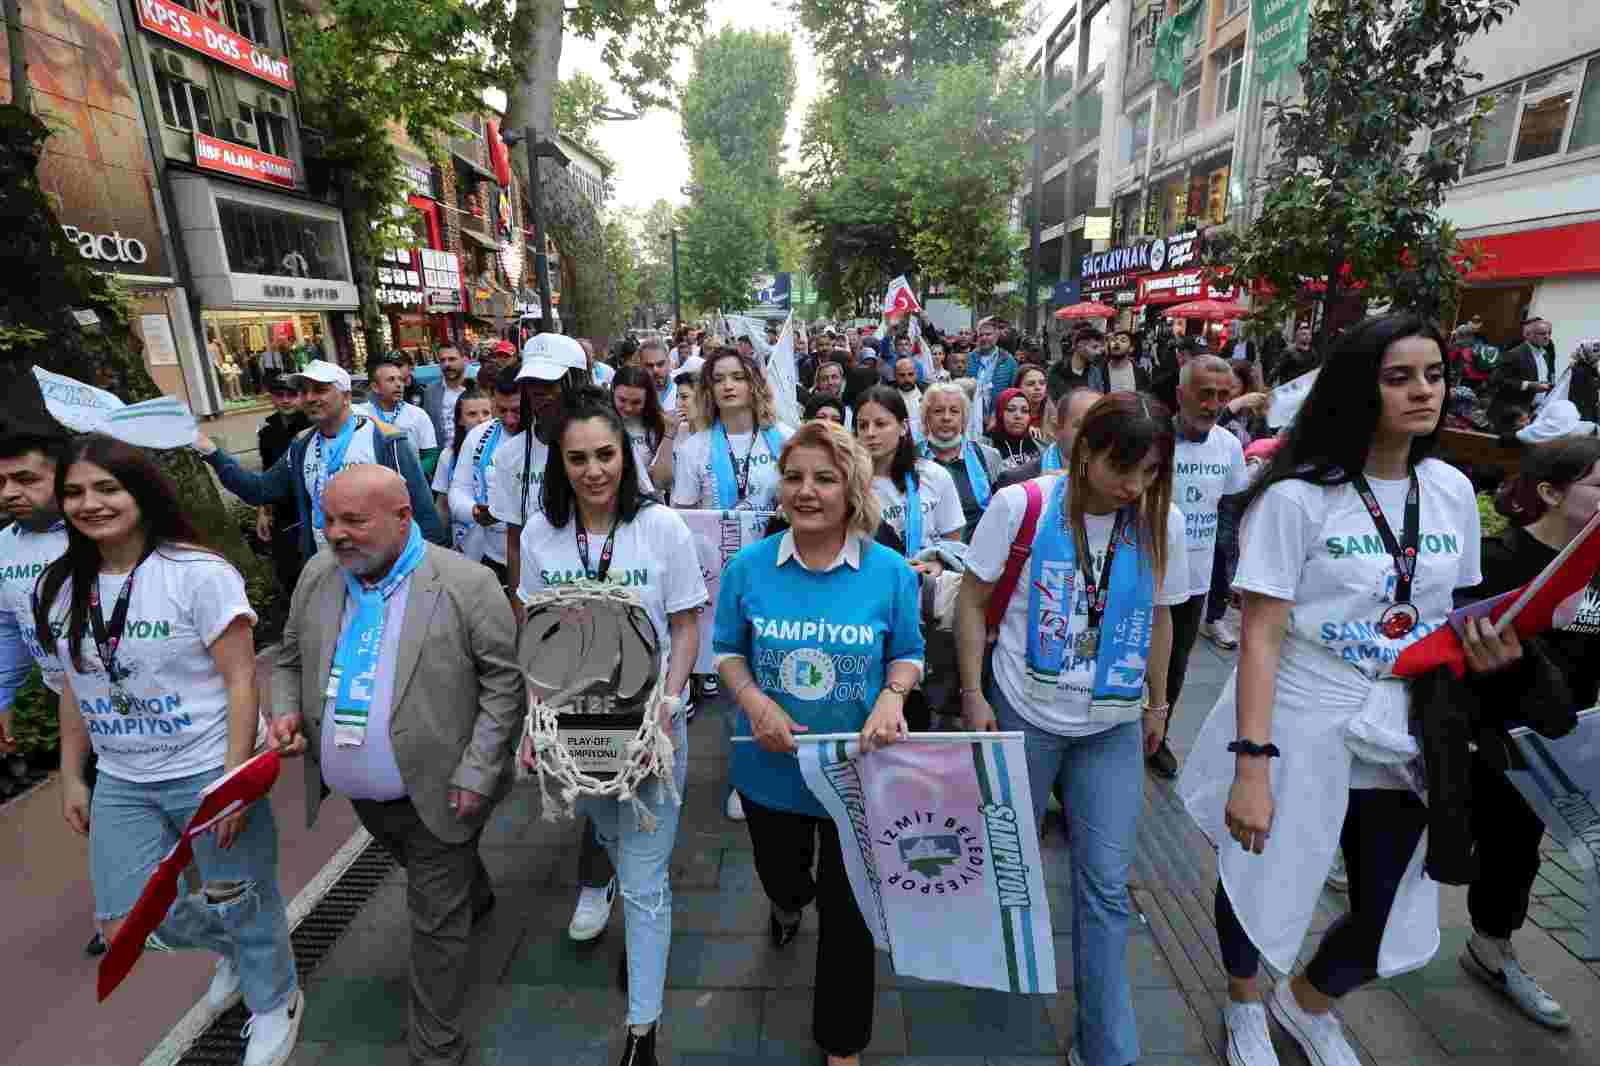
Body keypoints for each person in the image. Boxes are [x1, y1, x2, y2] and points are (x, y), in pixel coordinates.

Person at [1176, 313, 1522, 1066]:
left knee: (1387, 900)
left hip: (1404, 720)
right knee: (1257, 874)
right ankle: (1242, 1007)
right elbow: (1261, 633)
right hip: (1302, 709)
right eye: (1399, 377)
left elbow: (1449, 616)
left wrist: (1490, 653)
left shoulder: (1453, 491)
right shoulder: (1298, 497)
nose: (1422, 391)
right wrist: (1252, 764)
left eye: (1433, 374)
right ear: (1357, 388)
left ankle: (1305, 1002)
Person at [35, 435, 302, 1066]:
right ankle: (245, 947)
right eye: (74, 491)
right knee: (125, 924)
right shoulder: (60, 584)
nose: (90, 503)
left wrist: (235, 782)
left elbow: (242, 678)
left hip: (207, 769)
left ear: (142, 492)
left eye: (107, 488)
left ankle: (276, 998)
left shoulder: (196, 573)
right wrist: (73, 776)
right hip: (123, 779)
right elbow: (74, 684)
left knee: (239, 892)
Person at [955, 393, 1183, 1066]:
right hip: (1025, 711)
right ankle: (990, 978)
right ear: (1085, 452)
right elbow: (971, 599)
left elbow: (1164, 617)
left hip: (1112, 723)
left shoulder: (1155, 522)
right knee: (1007, 867)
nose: (1134, 487)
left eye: (1148, 473)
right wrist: (973, 693)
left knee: (1106, 886)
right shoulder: (1021, 505)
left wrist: (1159, 704)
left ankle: (1107, 1047)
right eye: (1123, 469)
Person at [270, 465, 519, 1066]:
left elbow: (504, 685)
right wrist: (285, 714)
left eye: (354, 520)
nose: (336, 534)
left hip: (445, 784)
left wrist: (478, 771)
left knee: (433, 922)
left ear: (403, 517)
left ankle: (435, 1047)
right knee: (436, 866)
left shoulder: (464, 583)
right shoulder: (319, 575)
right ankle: (471, 890)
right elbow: (288, 660)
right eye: (328, 520)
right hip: (366, 797)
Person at [715, 420, 923, 1066]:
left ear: (851, 489)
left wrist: (892, 697)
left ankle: (842, 1043)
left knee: (850, 912)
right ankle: (787, 900)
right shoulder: (748, 567)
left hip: (857, 776)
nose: (806, 492)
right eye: (796, 477)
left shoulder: (889, 573)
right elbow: (726, 651)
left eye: (825, 479)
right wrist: (755, 704)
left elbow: (909, 654)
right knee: (784, 877)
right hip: (768, 773)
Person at [515, 390, 708, 1066]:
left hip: (652, 728)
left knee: (645, 874)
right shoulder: (541, 534)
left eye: (606, 454)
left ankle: (642, 1032)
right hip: (579, 729)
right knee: (609, 835)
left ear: (624, 456)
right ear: (558, 464)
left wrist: (672, 697)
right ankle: (633, 899)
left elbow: (686, 622)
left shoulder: (662, 530)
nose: (594, 470)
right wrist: (532, 722)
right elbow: (535, 630)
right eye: (578, 459)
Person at [1451, 440, 1599, 1030]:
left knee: (1514, 854)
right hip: (1471, 735)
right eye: (1597, 486)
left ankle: (1492, 948)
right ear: (1549, 492)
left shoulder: (1596, 570)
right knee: (1422, 838)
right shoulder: (1496, 559)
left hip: (1549, 743)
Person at [197, 360, 446, 555]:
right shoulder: (302, 445)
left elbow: (422, 511)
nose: (310, 398)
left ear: (346, 396)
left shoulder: (385, 439)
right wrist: (211, 451)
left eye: (320, 390)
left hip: (385, 567)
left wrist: (429, 575)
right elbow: (259, 490)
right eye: (304, 391)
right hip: (329, 564)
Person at [1147, 356, 1252, 778]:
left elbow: (1231, 510)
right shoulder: (1152, 439)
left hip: (1193, 580)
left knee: (1175, 664)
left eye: (1222, 396)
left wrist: (1233, 574)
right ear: (1180, 395)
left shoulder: (1228, 446)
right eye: (1204, 394)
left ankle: (1158, 736)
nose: (1213, 404)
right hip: (1141, 573)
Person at [671, 349, 795, 512]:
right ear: (709, 390)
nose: (728, 386)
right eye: (718, 380)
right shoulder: (692, 449)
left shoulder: (787, 439)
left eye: (738, 378)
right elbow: (685, 516)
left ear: (753, 384)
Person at [854, 385, 965, 558]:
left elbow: (953, 541)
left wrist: (938, 564)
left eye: (880, 424)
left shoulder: (934, 475)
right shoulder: (850, 485)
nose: (870, 433)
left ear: (903, 427)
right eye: (863, 426)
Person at [448, 367, 524, 583]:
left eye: (517, 410)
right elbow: (458, 489)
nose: (509, 419)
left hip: (537, 559)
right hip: (493, 557)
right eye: (501, 410)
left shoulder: (546, 435)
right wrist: (472, 511)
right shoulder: (479, 436)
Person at [918, 381, 1001, 539]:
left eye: (954, 411)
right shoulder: (911, 458)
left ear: (964, 419)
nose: (946, 418)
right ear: (926, 418)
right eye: (938, 411)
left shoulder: (988, 456)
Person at [255, 374, 312, 596]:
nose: (286, 400)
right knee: (287, 573)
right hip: (282, 512)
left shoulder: (312, 426)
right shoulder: (267, 432)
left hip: (309, 508)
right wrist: (262, 512)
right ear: (272, 397)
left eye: (292, 395)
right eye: (280, 395)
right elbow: (266, 472)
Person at [997, 382, 1101, 489]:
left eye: (1099, 425)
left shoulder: (1114, 480)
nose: (1091, 432)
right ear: (1057, 428)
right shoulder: (1016, 481)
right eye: (1080, 425)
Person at [432, 384, 493, 551]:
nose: (481, 420)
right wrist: (440, 544)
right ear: (460, 419)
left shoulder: (504, 450)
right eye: (472, 414)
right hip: (464, 544)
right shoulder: (448, 456)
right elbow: (442, 505)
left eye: (486, 413)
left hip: (497, 545)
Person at [359, 358, 440, 477]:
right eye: (391, 380)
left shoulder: (418, 414)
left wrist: (409, 476)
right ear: (375, 387)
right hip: (373, 484)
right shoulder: (361, 414)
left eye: (400, 379)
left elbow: (431, 456)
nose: (398, 384)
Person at [612, 366, 670, 493]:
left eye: (636, 402)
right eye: (622, 400)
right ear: (612, 392)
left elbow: (662, 476)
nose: (628, 408)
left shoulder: (660, 424)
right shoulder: (602, 422)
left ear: (647, 399)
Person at [967, 317, 1018, 428]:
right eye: (981, 335)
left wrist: (997, 415)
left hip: (998, 420)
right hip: (971, 419)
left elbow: (1014, 391)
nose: (984, 338)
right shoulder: (969, 359)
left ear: (996, 336)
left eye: (988, 334)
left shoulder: (1009, 361)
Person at [1494, 318, 1558, 405]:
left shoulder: (1545, 354)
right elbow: (1498, 380)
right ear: (1529, 335)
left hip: (1534, 409)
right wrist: (1528, 385)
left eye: (1549, 333)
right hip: (1512, 411)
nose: (1547, 337)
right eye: (1542, 334)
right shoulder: (1515, 354)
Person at [420, 346, 472, 454]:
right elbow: (426, 428)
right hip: (442, 457)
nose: (447, 364)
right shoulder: (430, 392)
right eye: (442, 360)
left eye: (452, 359)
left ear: (465, 360)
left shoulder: (476, 387)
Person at [986, 387, 1042, 472]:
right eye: (1011, 410)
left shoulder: (1038, 445)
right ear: (1000, 413)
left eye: (1025, 411)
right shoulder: (986, 446)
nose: (1018, 416)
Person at [640, 340, 676, 412]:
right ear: (640, 366)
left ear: (669, 362)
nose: (655, 370)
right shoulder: (633, 391)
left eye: (660, 364)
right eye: (649, 365)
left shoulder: (681, 387)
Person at [892, 355, 925, 431]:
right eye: (902, 375)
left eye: (910, 374)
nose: (907, 379)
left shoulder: (927, 392)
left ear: (916, 374)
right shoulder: (888, 395)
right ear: (895, 375)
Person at [1015, 364, 1048, 429]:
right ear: (1018, 387)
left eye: (1042, 383)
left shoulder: (1054, 414)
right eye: (1031, 384)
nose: (1038, 388)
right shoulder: (1010, 414)